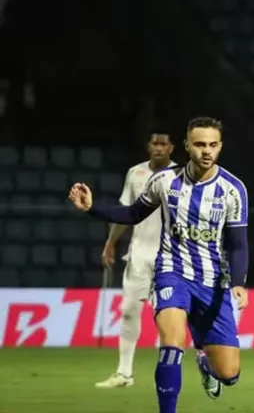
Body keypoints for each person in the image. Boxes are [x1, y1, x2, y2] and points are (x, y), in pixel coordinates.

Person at [68, 117, 249, 413]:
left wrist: (239, 281)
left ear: (220, 147)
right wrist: (92, 208)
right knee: (172, 344)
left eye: (213, 145)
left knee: (229, 374)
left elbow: (238, 243)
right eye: (200, 144)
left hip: (213, 283)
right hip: (171, 274)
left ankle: (205, 362)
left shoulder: (232, 189)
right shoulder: (165, 181)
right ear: (187, 145)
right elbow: (133, 213)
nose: (206, 151)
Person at [95, 132, 176, 389]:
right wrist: (111, 242)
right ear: (148, 146)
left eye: (164, 144)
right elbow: (125, 212)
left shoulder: (182, 176)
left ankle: (165, 374)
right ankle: (123, 373)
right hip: (139, 254)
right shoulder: (135, 173)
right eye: (155, 143)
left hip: (169, 258)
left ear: (172, 147)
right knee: (129, 311)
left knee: (167, 317)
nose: (159, 148)